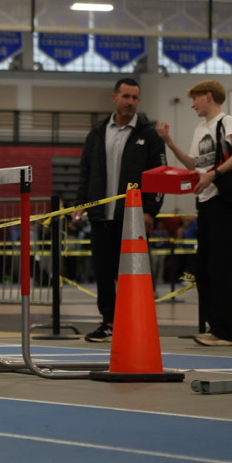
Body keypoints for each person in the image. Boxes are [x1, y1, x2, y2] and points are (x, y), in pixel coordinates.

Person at [157, 79, 232, 347]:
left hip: (225, 203)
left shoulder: (227, 121)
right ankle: (215, 327)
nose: (192, 105)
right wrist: (169, 142)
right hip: (206, 202)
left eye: (195, 99)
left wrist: (214, 174)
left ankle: (227, 332)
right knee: (206, 268)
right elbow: (194, 164)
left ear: (208, 97)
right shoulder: (200, 129)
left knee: (224, 267)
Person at [74, 78, 166, 342]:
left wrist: (150, 211)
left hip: (133, 218)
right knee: (103, 272)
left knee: (135, 274)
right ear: (114, 98)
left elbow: (159, 176)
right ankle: (108, 322)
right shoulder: (97, 132)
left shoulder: (149, 134)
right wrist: (80, 204)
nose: (130, 102)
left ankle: (137, 323)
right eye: (126, 96)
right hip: (101, 217)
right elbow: (85, 171)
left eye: (135, 98)